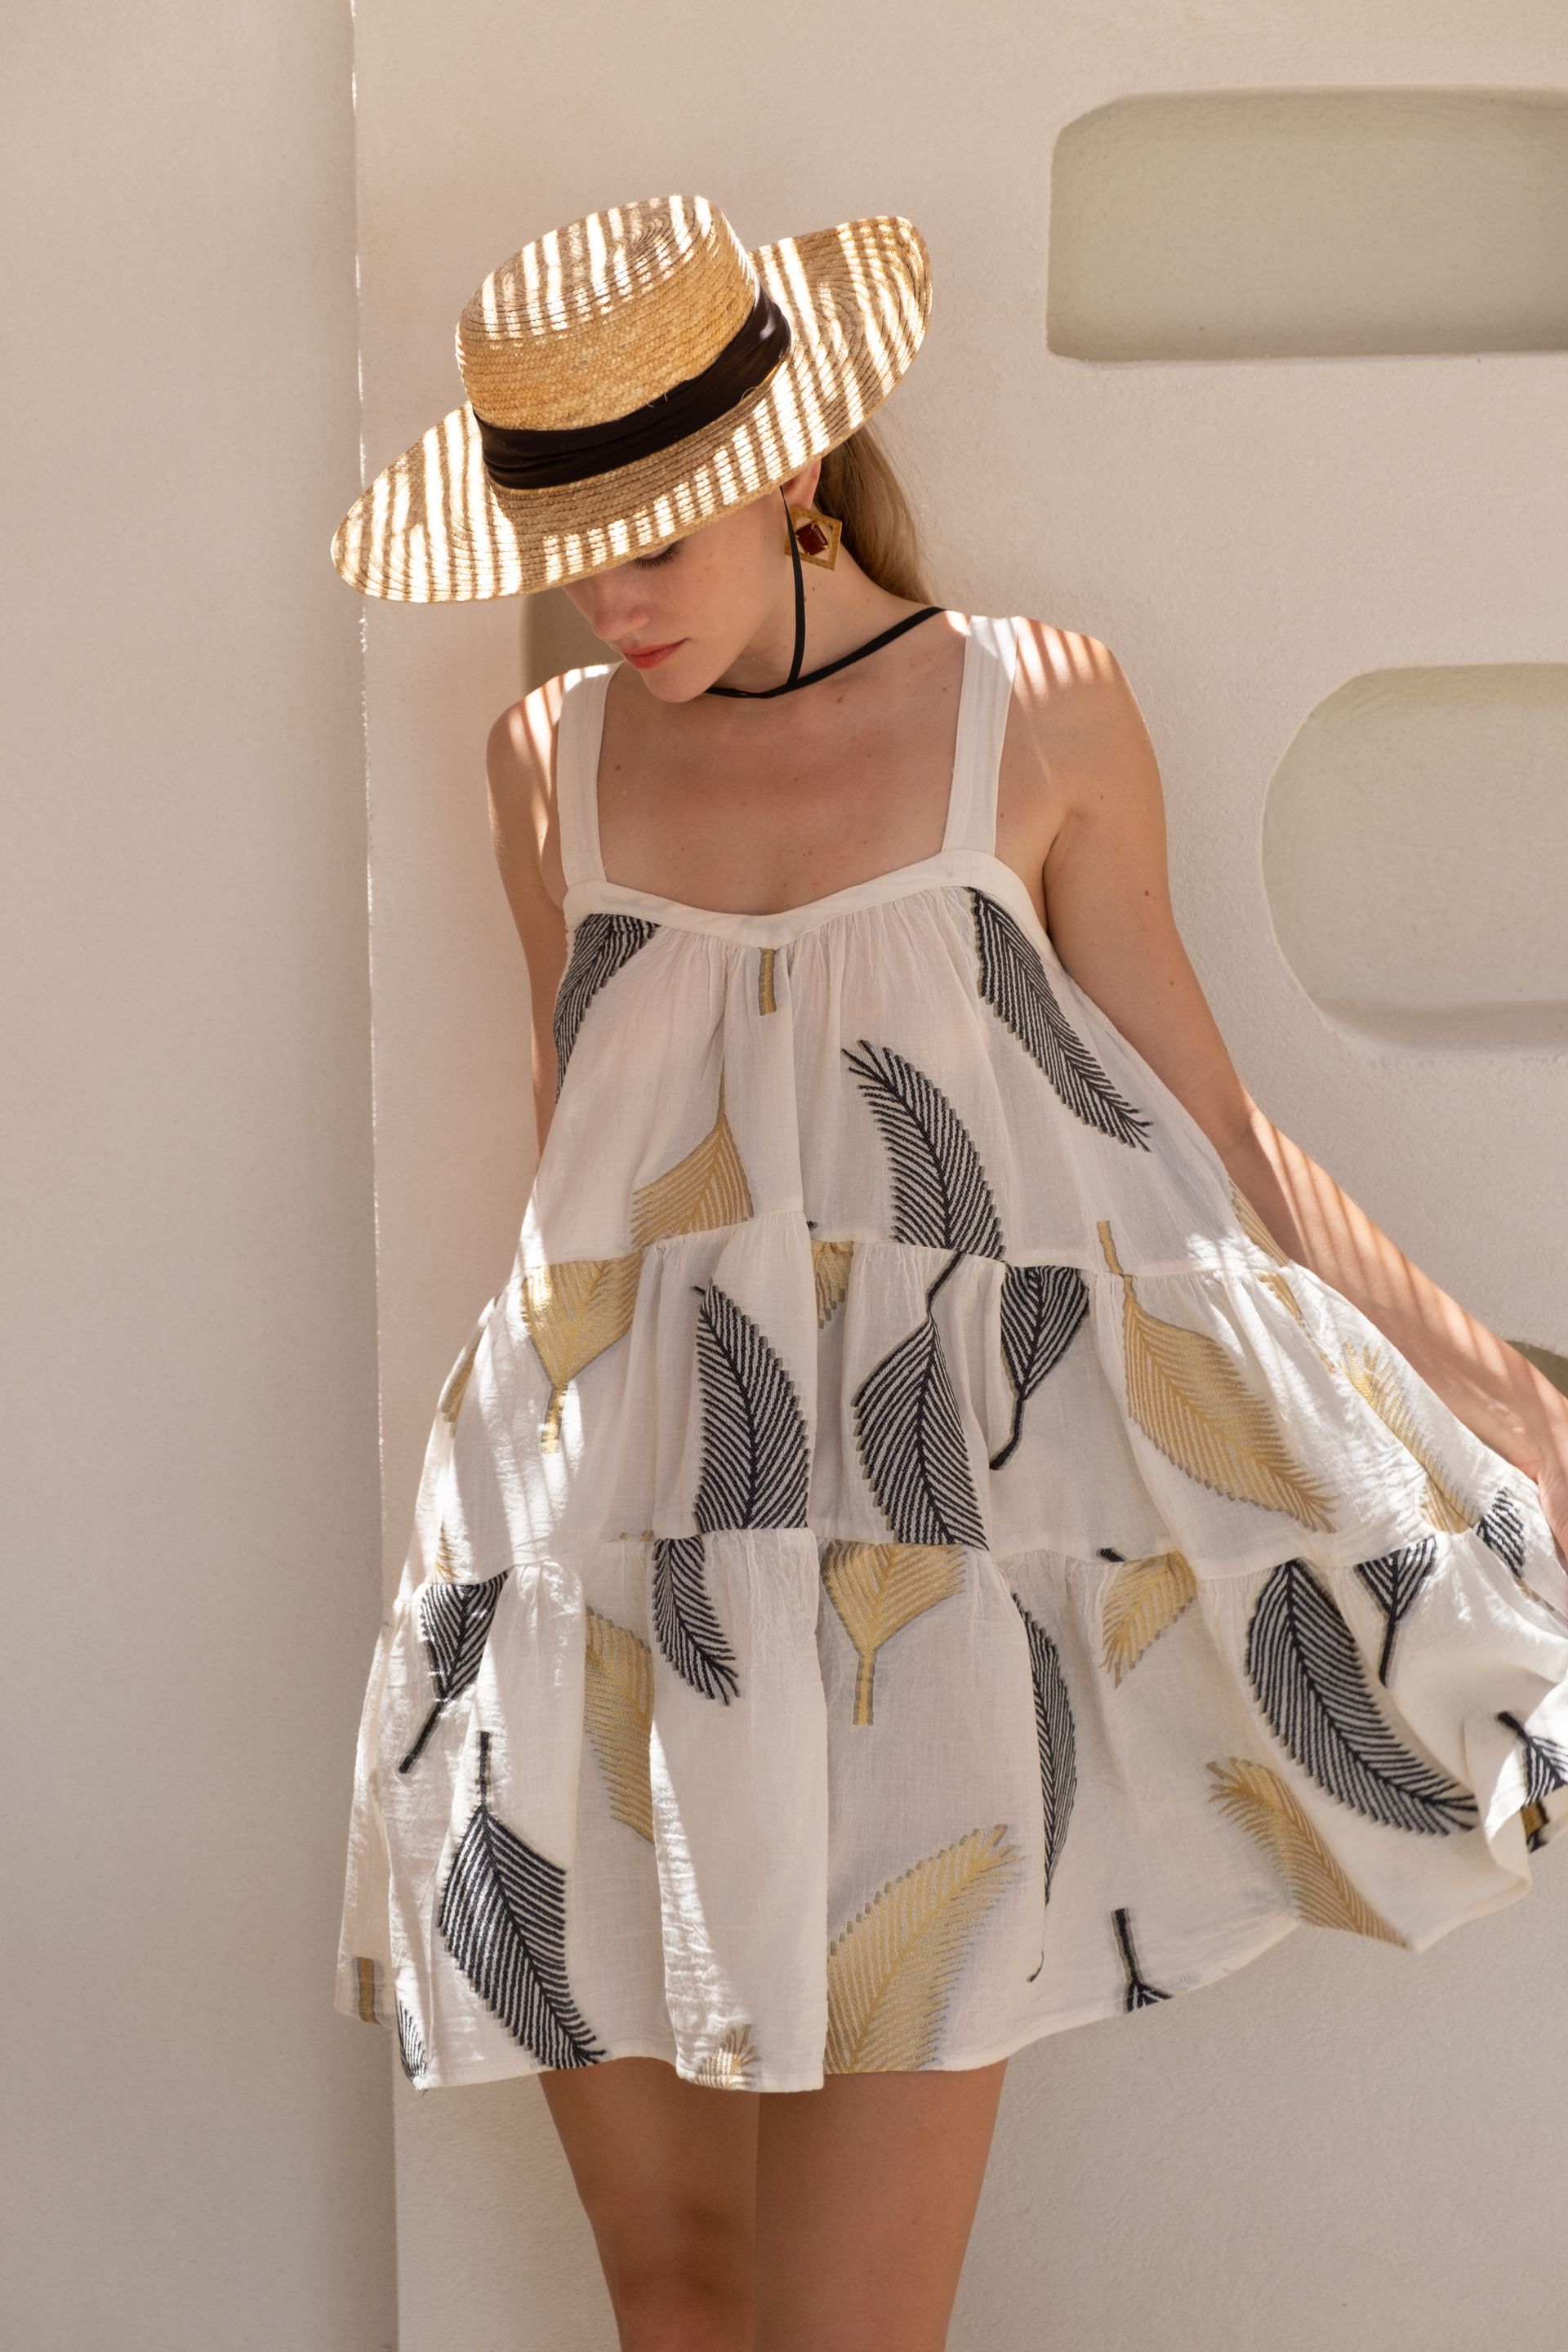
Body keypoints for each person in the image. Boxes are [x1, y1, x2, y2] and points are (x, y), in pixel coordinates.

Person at [330, 194, 1568, 2351]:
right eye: (573, 553)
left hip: (918, 1614)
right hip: (588, 1575)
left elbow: (1205, 1128)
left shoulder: (1035, 711)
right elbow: (586, 1186)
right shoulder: (548, 766)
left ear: (794, 466)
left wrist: (1498, 1397)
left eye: (654, 542)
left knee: (851, 2331)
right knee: (673, 2300)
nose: (609, 605)